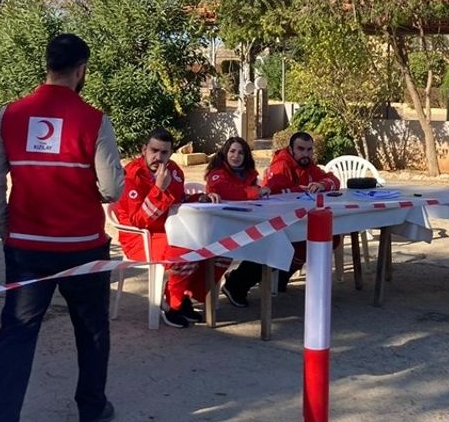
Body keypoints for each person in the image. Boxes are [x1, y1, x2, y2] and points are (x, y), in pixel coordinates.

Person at [0, 33, 126, 422]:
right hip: (82, 247)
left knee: (16, 334)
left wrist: (0, 222)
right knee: (92, 327)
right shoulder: (94, 120)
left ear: (47, 65)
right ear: (81, 70)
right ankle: (91, 408)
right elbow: (112, 188)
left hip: (26, 248)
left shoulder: (10, 114)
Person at [117, 128, 228, 329]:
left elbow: (180, 202)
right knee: (187, 251)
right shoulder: (131, 176)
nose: (158, 157)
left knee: (221, 248)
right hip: (141, 238)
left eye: (164, 152)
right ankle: (171, 306)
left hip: (173, 230)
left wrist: (200, 198)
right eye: (154, 150)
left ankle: (184, 296)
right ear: (144, 149)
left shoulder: (175, 171)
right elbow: (139, 221)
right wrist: (158, 189)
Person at [220, 132, 340, 307]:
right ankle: (237, 283)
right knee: (278, 243)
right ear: (291, 149)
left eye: (309, 150)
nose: (305, 154)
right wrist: (303, 189)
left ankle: (280, 277)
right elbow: (274, 193)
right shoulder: (281, 165)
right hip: (271, 221)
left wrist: (323, 184)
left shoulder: (308, 165)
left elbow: (333, 179)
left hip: (297, 219)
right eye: (300, 149)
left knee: (331, 235)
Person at [205, 136, 270, 201]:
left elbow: (248, 189)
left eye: (240, 153)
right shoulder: (217, 172)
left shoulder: (248, 173)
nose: (236, 156)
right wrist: (256, 192)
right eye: (232, 151)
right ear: (226, 153)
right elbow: (225, 191)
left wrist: (262, 190)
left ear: (245, 156)